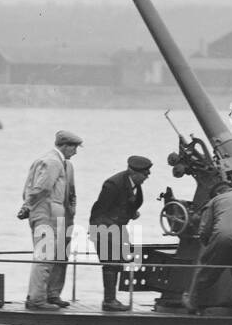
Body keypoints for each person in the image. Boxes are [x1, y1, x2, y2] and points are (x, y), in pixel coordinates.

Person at [19, 130, 81, 310]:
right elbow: (40, 188)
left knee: (58, 257)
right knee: (44, 257)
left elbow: (71, 193)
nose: (75, 152)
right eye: (74, 147)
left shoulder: (66, 164)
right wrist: (27, 206)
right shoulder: (52, 162)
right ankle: (37, 299)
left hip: (60, 216)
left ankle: (51, 294)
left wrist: (71, 214)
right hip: (46, 213)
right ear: (65, 146)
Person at [184, 182, 232, 316]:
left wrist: (207, 244)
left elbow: (205, 228)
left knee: (207, 269)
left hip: (222, 235)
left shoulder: (214, 201)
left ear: (217, 193)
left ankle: (191, 301)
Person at [89, 155, 151, 311]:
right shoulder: (113, 184)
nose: (146, 177)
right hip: (105, 228)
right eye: (145, 174)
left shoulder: (133, 184)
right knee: (110, 264)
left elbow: (128, 203)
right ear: (133, 172)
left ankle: (112, 298)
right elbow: (99, 210)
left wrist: (132, 213)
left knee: (119, 261)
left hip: (118, 227)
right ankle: (109, 301)